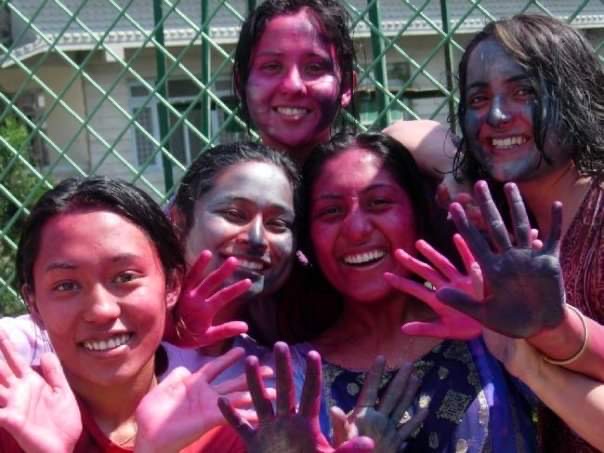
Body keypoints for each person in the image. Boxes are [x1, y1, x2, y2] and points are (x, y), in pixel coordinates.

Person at [389, 14, 604, 452]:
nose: (497, 116)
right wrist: (458, 173)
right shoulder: (505, 213)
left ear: (576, 95)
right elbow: (398, 133)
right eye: (479, 98)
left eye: (524, 92)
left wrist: (532, 353)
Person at [287, 131, 536, 452]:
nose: (357, 230)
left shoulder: (488, 323)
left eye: (379, 202)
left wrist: (456, 176)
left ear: (419, 214)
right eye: (331, 211)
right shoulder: (291, 373)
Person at [0, 176, 254, 452]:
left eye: (125, 277)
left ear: (171, 285)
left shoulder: (218, 434)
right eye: (66, 286)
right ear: (33, 303)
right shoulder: (11, 420)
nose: (101, 310)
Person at [233, 0, 356, 164]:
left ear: (346, 86)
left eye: (314, 68)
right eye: (272, 66)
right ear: (241, 84)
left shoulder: (380, 173)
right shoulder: (216, 179)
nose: (293, 86)